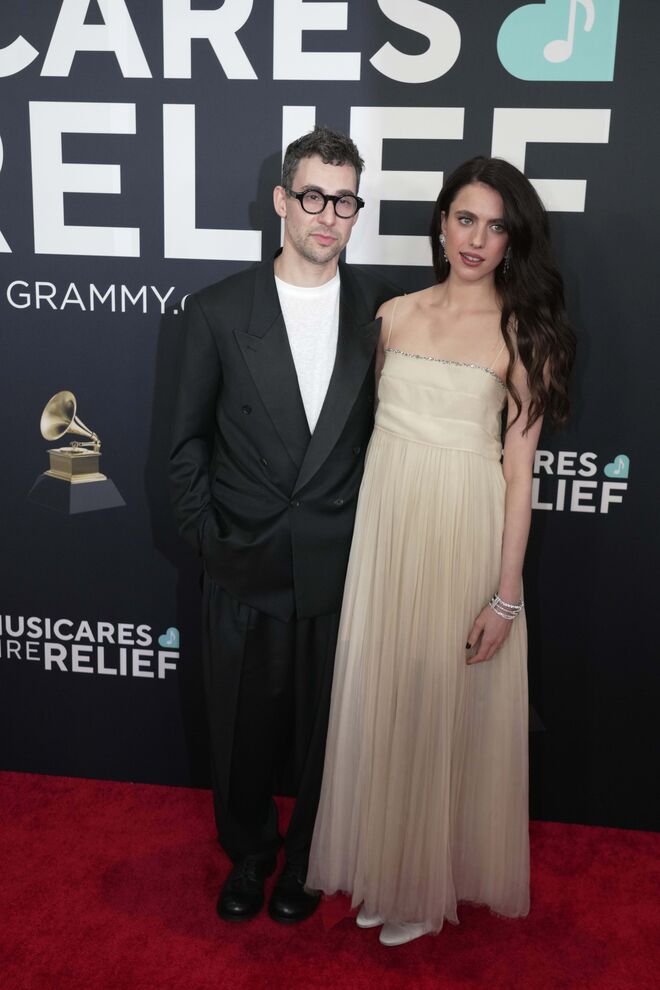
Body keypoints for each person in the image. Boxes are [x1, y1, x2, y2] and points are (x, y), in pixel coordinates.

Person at [307, 156, 576, 946]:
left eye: (497, 226)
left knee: (437, 704)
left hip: (462, 532)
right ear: (440, 221)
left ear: (512, 240)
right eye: (466, 218)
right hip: (386, 532)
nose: (478, 239)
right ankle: (388, 869)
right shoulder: (391, 316)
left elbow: (518, 474)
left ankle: (426, 890)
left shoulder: (523, 332)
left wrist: (505, 594)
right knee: (385, 696)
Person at [169, 126, 395, 925]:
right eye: (312, 197)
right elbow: (185, 441)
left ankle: (307, 863)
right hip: (244, 562)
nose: (328, 215)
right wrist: (212, 538)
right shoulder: (219, 311)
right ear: (281, 201)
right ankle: (252, 857)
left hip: (342, 568)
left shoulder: (384, 315)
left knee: (333, 738)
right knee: (241, 735)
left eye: (344, 200)